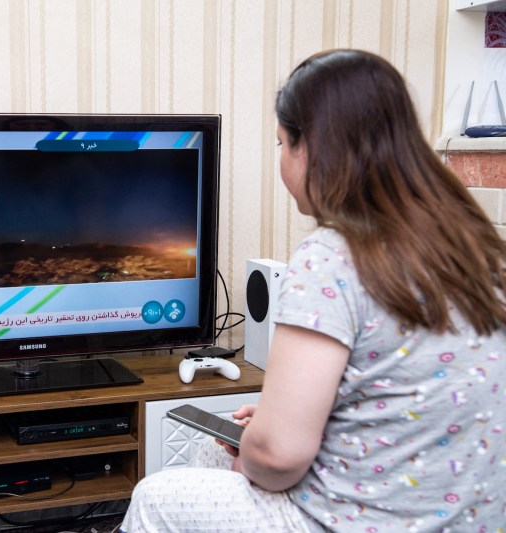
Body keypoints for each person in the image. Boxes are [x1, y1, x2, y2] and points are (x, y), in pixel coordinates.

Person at [120, 49, 506, 532]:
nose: (281, 161)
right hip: (470, 514)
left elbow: (279, 457)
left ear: (313, 148)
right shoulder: (475, 244)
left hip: (361, 521)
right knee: (208, 450)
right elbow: (414, 389)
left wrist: (258, 455)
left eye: (282, 143)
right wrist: (288, 416)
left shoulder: (333, 255)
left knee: (157, 497)